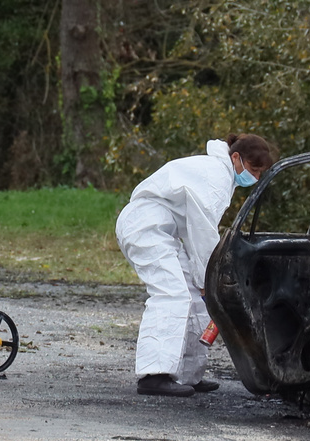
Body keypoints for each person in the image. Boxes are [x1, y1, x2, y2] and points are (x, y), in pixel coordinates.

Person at [116, 134, 275, 397]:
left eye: (260, 173)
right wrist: (207, 280)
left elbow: (194, 231)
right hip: (145, 227)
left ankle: (189, 375)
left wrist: (202, 284)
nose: (255, 178)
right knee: (172, 293)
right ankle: (153, 375)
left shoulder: (220, 173)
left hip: (163, 231)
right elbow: (202, 233)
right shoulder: (215, 176)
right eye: (253, 169)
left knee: (194, 297)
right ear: (236, 157)